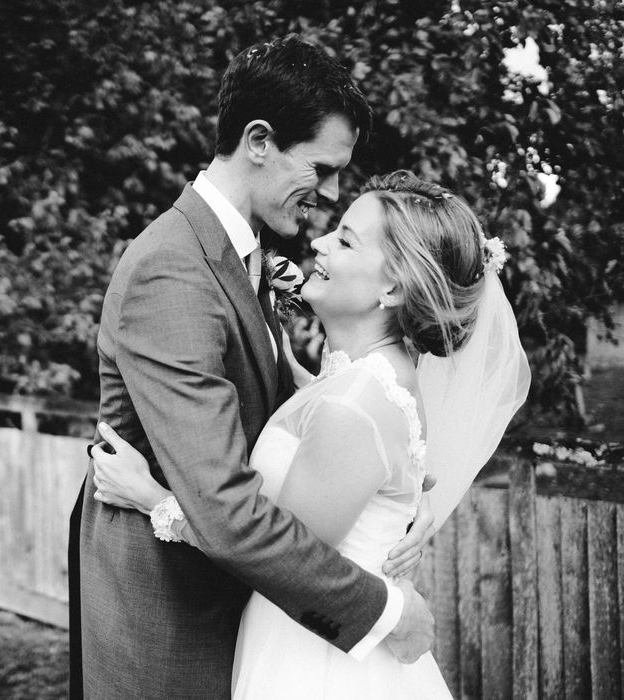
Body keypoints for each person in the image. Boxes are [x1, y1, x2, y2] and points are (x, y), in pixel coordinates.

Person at [69, 36, 438, 700]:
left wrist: (407, 513)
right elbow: (228, 511)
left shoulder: (244, 254)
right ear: (260, 141)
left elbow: (313, 432)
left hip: (242, 604)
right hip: (167, 616)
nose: (329, 195)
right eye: (322, 169)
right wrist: (385, 610)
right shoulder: (173, 268)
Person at [91, 170, 531, 699]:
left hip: (315, 660)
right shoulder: (357, 379)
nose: (319, 242)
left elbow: (279, 556)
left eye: (344, 240)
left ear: (392, 287)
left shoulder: (356, 404)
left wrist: (151, 498)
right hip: (310, 636)